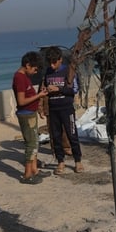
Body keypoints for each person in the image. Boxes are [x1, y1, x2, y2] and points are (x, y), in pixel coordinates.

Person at [40, 46, 84, 175]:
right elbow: (43, 89)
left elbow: (75, 90)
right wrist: (42, 102)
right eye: (50, 63)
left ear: (60, 60)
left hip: (67, 109)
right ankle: (60, 161)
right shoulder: (47, 72)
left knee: (72, 134)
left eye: (55, 62)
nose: (52, 66)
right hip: (53, 109)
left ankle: (78, 161)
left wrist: (59, 89)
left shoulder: (68, 71)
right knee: (56, 136)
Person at [12, 51, 50, 184]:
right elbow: (21, 101)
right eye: (34, 69)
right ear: (27, 65)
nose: (35, 72)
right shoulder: (19, 78)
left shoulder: (24, 77)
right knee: (31, 144)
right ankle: (27, 174)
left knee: (35, 143)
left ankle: (35, 170)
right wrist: (38, 96)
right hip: (26, 114)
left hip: (31, 113)